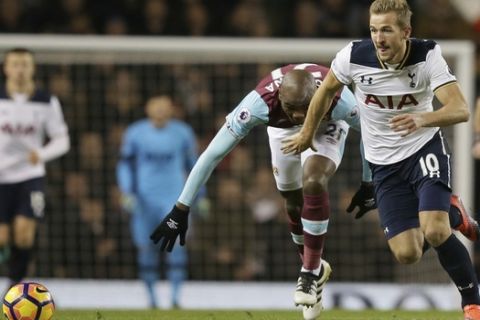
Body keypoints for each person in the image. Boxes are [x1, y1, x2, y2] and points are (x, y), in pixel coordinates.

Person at [281, 1, 480, 319]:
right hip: (384, 166)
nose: (378, 38)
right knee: (407, 254)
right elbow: (325, 91)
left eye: (386, 29)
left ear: (406, 32)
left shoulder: (427, 55)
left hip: (423, 151)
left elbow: (461, 109)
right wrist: (306, 134)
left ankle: (472, 303)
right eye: (374, 30)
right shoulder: (353, 56)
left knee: (435, 231)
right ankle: (455, 214)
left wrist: (422, 119)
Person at [149, 63, 377, 320]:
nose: (301, 116)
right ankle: (313, 267)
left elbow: (372, 134)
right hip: (282, 131)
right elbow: (212, 154)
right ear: (280, 98)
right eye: (293, 108)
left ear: (316, 92)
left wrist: (368, 182)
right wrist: (181, 208)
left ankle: (310, 273)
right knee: (292, 202)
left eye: (305, 107)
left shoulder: (338, 99)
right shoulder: (259, 103)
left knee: (313, 180)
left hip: (326, 122)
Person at [116, 95, 199, 308]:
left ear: (171, 109)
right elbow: (125, 165)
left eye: (165, 107)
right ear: (148, 109)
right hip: (144, 201)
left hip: (174, 201)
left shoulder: (183, 133)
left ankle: (175, 299)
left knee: (177, 248)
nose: (161, 110)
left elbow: (195, 166)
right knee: (146, 249)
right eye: (157, 106)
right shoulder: (135, 133)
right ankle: (151, 299)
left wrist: (201, 194)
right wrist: (127, 192)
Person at [0, 48, 70, 288]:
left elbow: (62, 140)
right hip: (1, 176)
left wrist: (40, 154)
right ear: (6, 68)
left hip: (30, 176)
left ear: (32, 69)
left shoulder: (46, 101)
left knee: (24, 233)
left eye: (25, 64)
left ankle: (13, 285)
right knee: (2, 238)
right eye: (15, 64)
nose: (20, 69)